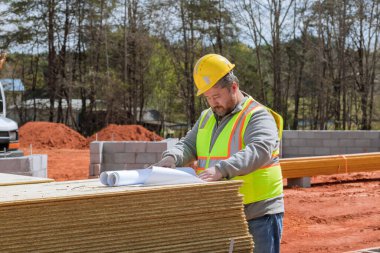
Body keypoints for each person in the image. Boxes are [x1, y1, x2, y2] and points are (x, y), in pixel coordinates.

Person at [155, 53, 284, 253]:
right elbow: (188, 145)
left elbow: (260, 149)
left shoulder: (257, 115)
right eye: (208, 98)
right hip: (222, 211)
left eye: (216, 96)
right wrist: (171, 158)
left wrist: (221, 169)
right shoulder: (207, 117)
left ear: (234, 87)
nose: (213, 103)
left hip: (259, 213)